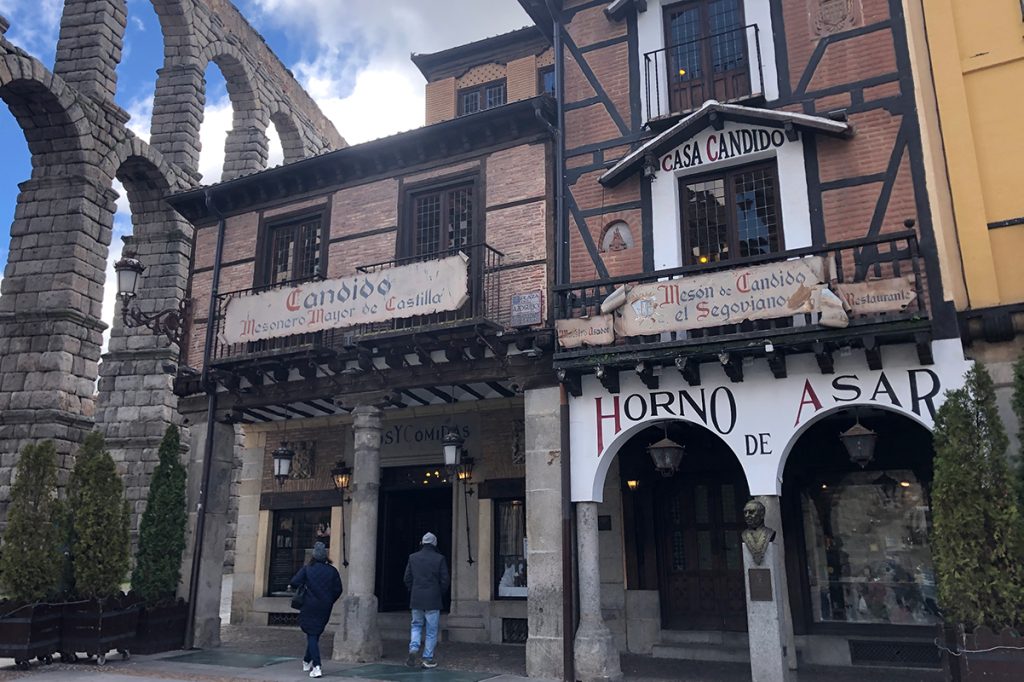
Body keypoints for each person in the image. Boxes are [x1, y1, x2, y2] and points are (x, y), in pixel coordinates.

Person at [290, 542, 343, 678]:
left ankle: (317, 666)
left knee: (312, 634)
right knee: (315, 633)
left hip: (309, 605)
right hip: (325, 607)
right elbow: (338, 589)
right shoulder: (332, 571)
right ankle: (307, 660)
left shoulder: (308, 569)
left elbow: (294, 582)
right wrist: (330, 600)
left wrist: (305, 586)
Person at [404, 531, 450, 669]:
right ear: (434, 544)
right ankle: (427, 658)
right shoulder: (439, 558)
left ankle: (413, 649)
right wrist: (439, 592)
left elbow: (407, 578)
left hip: (417, 598)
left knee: (416, 625)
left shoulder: (413, 557)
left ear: (422, 543)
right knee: (431, 630)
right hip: (433, 598)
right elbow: (445, 580)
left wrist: (413, 590)